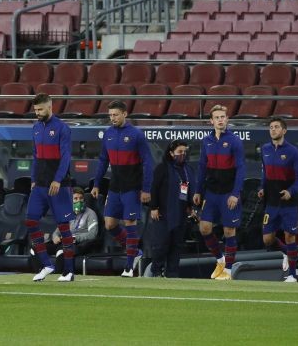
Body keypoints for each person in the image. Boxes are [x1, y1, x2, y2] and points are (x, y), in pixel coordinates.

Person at [92, 100, 154, 277]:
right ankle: (135, 251)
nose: (112, 118)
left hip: (132, 186)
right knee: (110, 224)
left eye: (116, 114)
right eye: (110, 115)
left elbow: (148, 163)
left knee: (130, 223)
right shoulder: (108, 134)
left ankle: (129, 265)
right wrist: (97, 183)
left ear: (125, 114)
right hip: (115, 186)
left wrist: (146, 189)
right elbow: (103, 160)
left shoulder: (136, 134)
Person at [26, 93, 76, 282]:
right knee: (31, 222)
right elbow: (35, 156)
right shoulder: (36, 128)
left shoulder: (62, 128)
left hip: (59, 186)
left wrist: (57, 179)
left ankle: (69, 272)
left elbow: (65, 157)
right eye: (35, 110)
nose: (37, 113)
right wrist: (33, 178)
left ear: (50, 107)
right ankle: (47, 264)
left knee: (64, 228)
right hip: (39, 185)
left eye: (40, 109)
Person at [194, 104, 246, 280]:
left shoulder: (234, 141)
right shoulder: (207, 141)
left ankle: (229, 271)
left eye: (223, 116)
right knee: (204, 228)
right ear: (211, 121)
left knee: (229, 231)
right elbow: (202, 167)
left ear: (227, 119)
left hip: (228, 192)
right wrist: (198, 191)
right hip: (211, 192)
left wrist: (235, 193)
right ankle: (221, 260)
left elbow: (241, 168)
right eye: (217, 117)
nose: (220, 120)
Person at [258, 118, 298, 283]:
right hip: (271, 202)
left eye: (276, 127)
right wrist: (261, 188)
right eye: (271, 127)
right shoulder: (264, 149)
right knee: (267, 239)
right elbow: (264, 173)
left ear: (284, 131)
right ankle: (287, 252)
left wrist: (290, 192)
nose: (273, 130)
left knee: (290, 236)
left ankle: (292, 274)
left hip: (289, 203)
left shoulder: (293, 152)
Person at [149, 140, 195, 278]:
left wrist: (190, 207)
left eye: (184, 152)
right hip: (163, 212)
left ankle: (172, 274)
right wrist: (153, 207)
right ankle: (156, 271)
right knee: (161, 245)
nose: (182, 155)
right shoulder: (162, 168)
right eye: (179, 152)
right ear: (171, 153)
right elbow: (154, 188)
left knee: (177, 245)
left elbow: (189, 190)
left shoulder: (188, 170)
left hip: (181, 213)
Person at [47, 187, 100, 266]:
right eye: (75, 198)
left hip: (79, 244)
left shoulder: (91, 213)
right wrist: (55, 237)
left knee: (61, 250)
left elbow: (92, 234)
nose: (79, 201)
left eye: (81, 198)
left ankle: (58, 274)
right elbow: (57, 231)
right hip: (63, 242)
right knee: (36, 248)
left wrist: (74, 238)